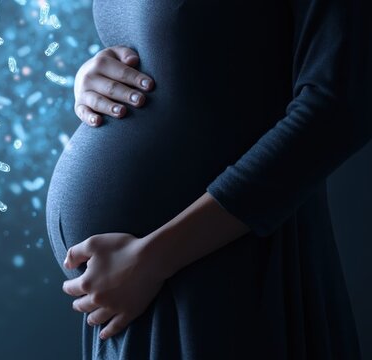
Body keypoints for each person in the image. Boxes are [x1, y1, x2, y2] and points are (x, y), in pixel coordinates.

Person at [44, 0, 371, 358]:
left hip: (217, 271)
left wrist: (155, 257)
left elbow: (340, 104)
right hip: (134, 288)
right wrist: (94, 75)